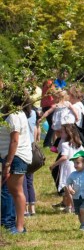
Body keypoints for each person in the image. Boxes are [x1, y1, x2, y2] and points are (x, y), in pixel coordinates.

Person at [1, 99, 31, 234]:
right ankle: (11, 223)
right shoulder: (14, 113)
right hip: (11, 157)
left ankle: (18, 227)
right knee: (11, 191)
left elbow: (15, 140)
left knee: (16, 191)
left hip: (16, 157)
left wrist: (8, 163)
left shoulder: (14, 115)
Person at [52, 123, 82, 214]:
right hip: (75, 166)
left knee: (68, 188)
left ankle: (74, 206)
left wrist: (54, 165)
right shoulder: (78, 143)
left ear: (68, 133)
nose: (60, 134)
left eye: (62, 132)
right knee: (72, 187)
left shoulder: (65, 144)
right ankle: (68, 207)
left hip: (67, 167)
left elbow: (64, 157)